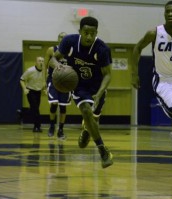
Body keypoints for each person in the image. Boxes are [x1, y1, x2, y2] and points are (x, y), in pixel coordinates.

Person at [131, 1, 172, 167]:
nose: (170, 14)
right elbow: (137, 48)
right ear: (164, 13)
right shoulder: (154, 32)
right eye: (168, 11)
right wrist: (134, 74)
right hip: (163, 80)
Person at [49, 16, 113, 168]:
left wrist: (100, 93)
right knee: (86, 110)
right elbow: (53, 59)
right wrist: (58, 66)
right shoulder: (69, 42)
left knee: (93, 120)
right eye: (86, 32)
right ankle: (103, 150)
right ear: (80, 31)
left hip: (97, 87)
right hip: (78, 85)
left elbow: (108, 74)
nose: (89, 36)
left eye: (92, 33)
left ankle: (87, 129)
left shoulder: (102, 49)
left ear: (96, 32)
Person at [44, 32, 71, 140]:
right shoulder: (51, 50)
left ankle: (61, 130)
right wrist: (43, 82)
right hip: (53, 79)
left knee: (63, 106)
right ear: (58, 39)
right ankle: (51, 126)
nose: (63, 38)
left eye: (65, 37)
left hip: (66, 82)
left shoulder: (71, 51)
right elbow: (45, 65)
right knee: (54, 104)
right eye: (61, 37)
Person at [20, 56, 45, 132]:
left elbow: (45, 81)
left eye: (42, 61)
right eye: (39, 61)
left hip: (38, 91)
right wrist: (24, 89)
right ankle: (37, 126)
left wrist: (45, 89)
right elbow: (21, 80)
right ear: (36, 62)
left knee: (34, 108)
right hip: (30, 91)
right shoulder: (30, 70)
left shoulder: (45, 71)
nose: (41, 62)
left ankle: (22, 113)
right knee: (35, 109)